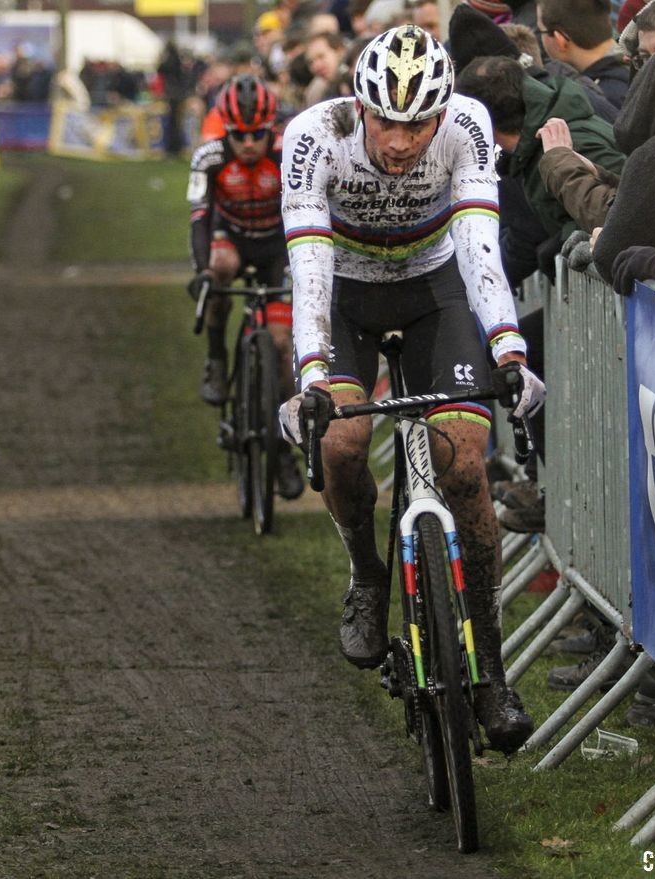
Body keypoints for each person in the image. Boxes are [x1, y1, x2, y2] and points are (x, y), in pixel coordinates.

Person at [277, 26, 544, 752]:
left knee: (463, 461)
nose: (399, 141)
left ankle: (491, 674)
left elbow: (481, 250)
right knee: (342, 440)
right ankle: (368, 575)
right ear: (357, 107)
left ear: (443, 111)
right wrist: (310, 376)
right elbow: (309, 272)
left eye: (417, 122)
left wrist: (508, 349)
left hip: (435, 291)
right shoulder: (313, 136)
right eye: (385, 120)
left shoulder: (467, 127)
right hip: (346, 298)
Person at [187, 75, 305, 500]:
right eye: (240, 135)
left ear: (270, 128)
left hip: (276, 247)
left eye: (259, 133)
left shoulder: (288, 152)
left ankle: (284, 451)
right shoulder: (209, 158)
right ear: (227, 130)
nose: (250, 143)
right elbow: (199, 218)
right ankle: (217, 359)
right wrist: (202, 272)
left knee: (280, 345)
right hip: (232, 238)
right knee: (219, 268)